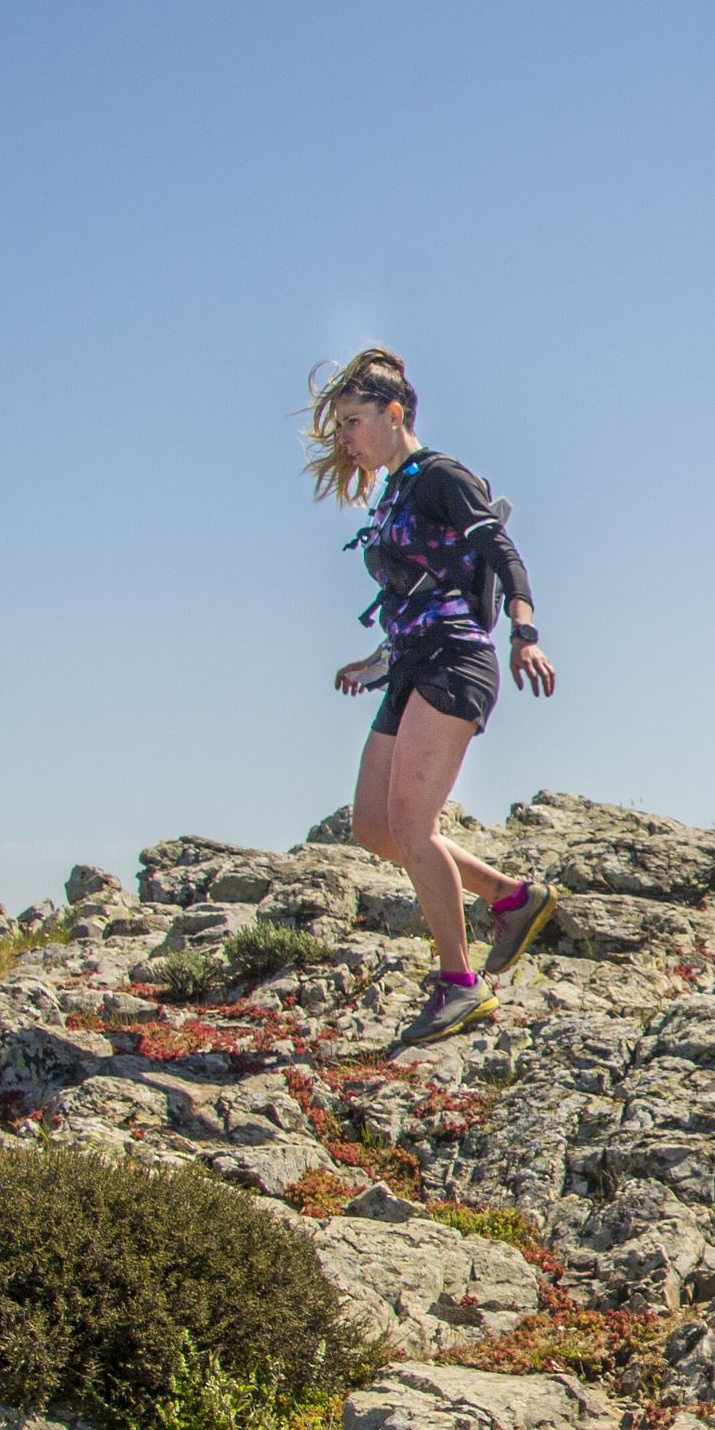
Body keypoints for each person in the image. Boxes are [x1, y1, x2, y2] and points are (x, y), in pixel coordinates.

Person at [304, 349, 561, 1051]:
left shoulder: (441, 477)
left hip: (457, 660)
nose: (346, 438)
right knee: (372, 827)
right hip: (413, 662)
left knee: (412, 825)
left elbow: (503, 554)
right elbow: (414, 592)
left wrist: (525, 631)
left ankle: (460, 985)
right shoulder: (391, 491)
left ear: (395, 414)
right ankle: (512, 898)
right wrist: (377, 660)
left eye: (354, 422)